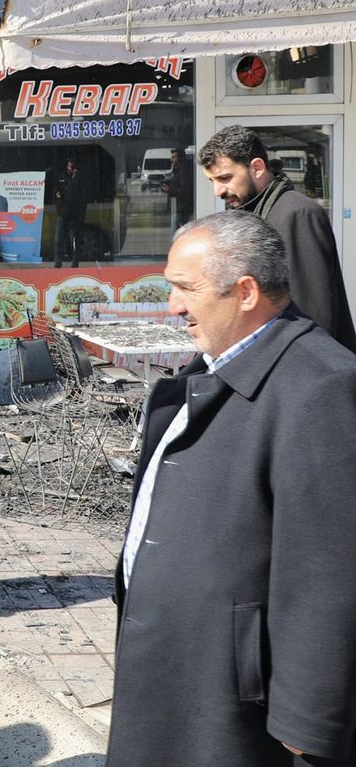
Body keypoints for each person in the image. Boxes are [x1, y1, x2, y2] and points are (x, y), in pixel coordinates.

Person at [109, 210, 356, 767]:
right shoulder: (213, 366)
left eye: (186, 289)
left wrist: (310, 716)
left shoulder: (320, 386)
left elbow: (331, 569)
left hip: (239, 701)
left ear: (245, 292)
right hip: (184, 667)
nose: (172, 306)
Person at [198, 124, 356, 351]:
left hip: (306, 369)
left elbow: (312, 310)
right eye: (212, 181)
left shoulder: (296, 213)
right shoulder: (258, 213)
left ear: (257, 167)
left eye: (225, 177)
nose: (218, 191)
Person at [53, 157, 87, 268]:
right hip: (63, 213)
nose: (71, 166)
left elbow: (82, 195)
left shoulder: (79, 177)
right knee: (59, 239)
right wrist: (58, 205)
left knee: (76, 239)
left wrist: (75, 176)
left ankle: (75, 261)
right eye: (70, 164)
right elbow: (56, 191)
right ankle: (58, 261)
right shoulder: (61, 176)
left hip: (75, 214)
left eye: (73, 165)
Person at [163, 148, 192, 235]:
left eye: (174, 157)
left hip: (181, 208)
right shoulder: (178, 170)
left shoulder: (183, 171)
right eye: (171, 157)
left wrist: (170, 190)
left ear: (181, 158)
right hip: (179, 207)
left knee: (175, 234)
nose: (171, 160)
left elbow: (184, 191)